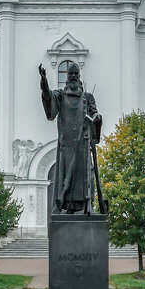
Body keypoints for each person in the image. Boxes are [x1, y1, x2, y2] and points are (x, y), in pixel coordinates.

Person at [39, 62, 102, 214]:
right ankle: (63, 205)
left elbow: (94, 113)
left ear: (79, 77)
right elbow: (48, 97)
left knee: (85, 175)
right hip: (66, 143)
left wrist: (97, 118)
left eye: (76, 74)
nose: (73, 77)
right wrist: (44, 81)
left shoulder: (87, 97)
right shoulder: (61, 95)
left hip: (83, 142)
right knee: (64, 175)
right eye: (70, 74)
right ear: (66, 77)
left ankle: (88, 206)